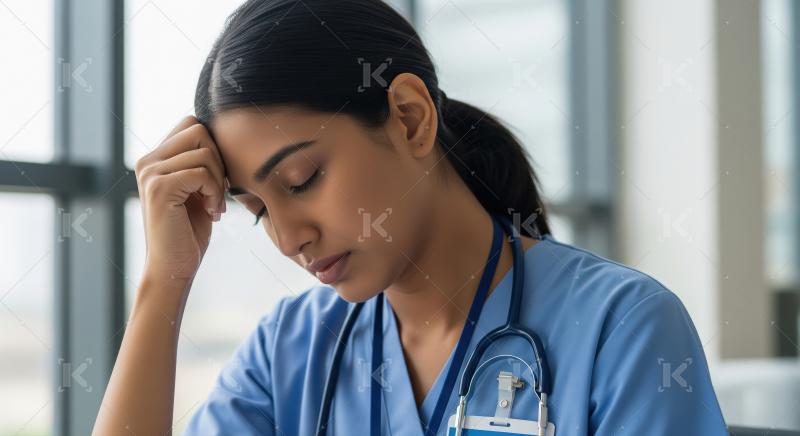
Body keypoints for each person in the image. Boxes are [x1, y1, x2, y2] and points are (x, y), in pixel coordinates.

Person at [93, 0, 729, 434]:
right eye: (257, 211)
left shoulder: (622, 329)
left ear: (410, 117)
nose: (290, 239)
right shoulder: (291, 350)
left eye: (302, 179)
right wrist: (164, 282)